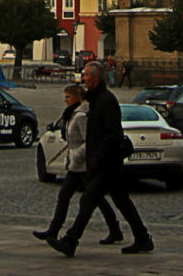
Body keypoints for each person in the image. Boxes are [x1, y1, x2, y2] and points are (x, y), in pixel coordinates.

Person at [47, 61, 152, 257]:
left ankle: (71, 241)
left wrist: (97, 159)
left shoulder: (107, 101)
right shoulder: (95, 100)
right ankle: (143, 237)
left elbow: (112, 134)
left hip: (106, 162)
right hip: (103, 161)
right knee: (121, 201)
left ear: (95, 78)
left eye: (86, 75)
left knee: (88, 200)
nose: (83, 79)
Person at [33, 85, 121, 245]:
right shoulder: (71, 114)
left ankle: (114, 229)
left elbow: (90, 141)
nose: (65, 100)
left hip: (84, 164)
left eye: (68, 97)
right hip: (75, 165)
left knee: (93, 199)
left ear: (77, 98)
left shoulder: (81, 116)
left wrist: (76, 154)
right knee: (68, 196)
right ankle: (54, 229)